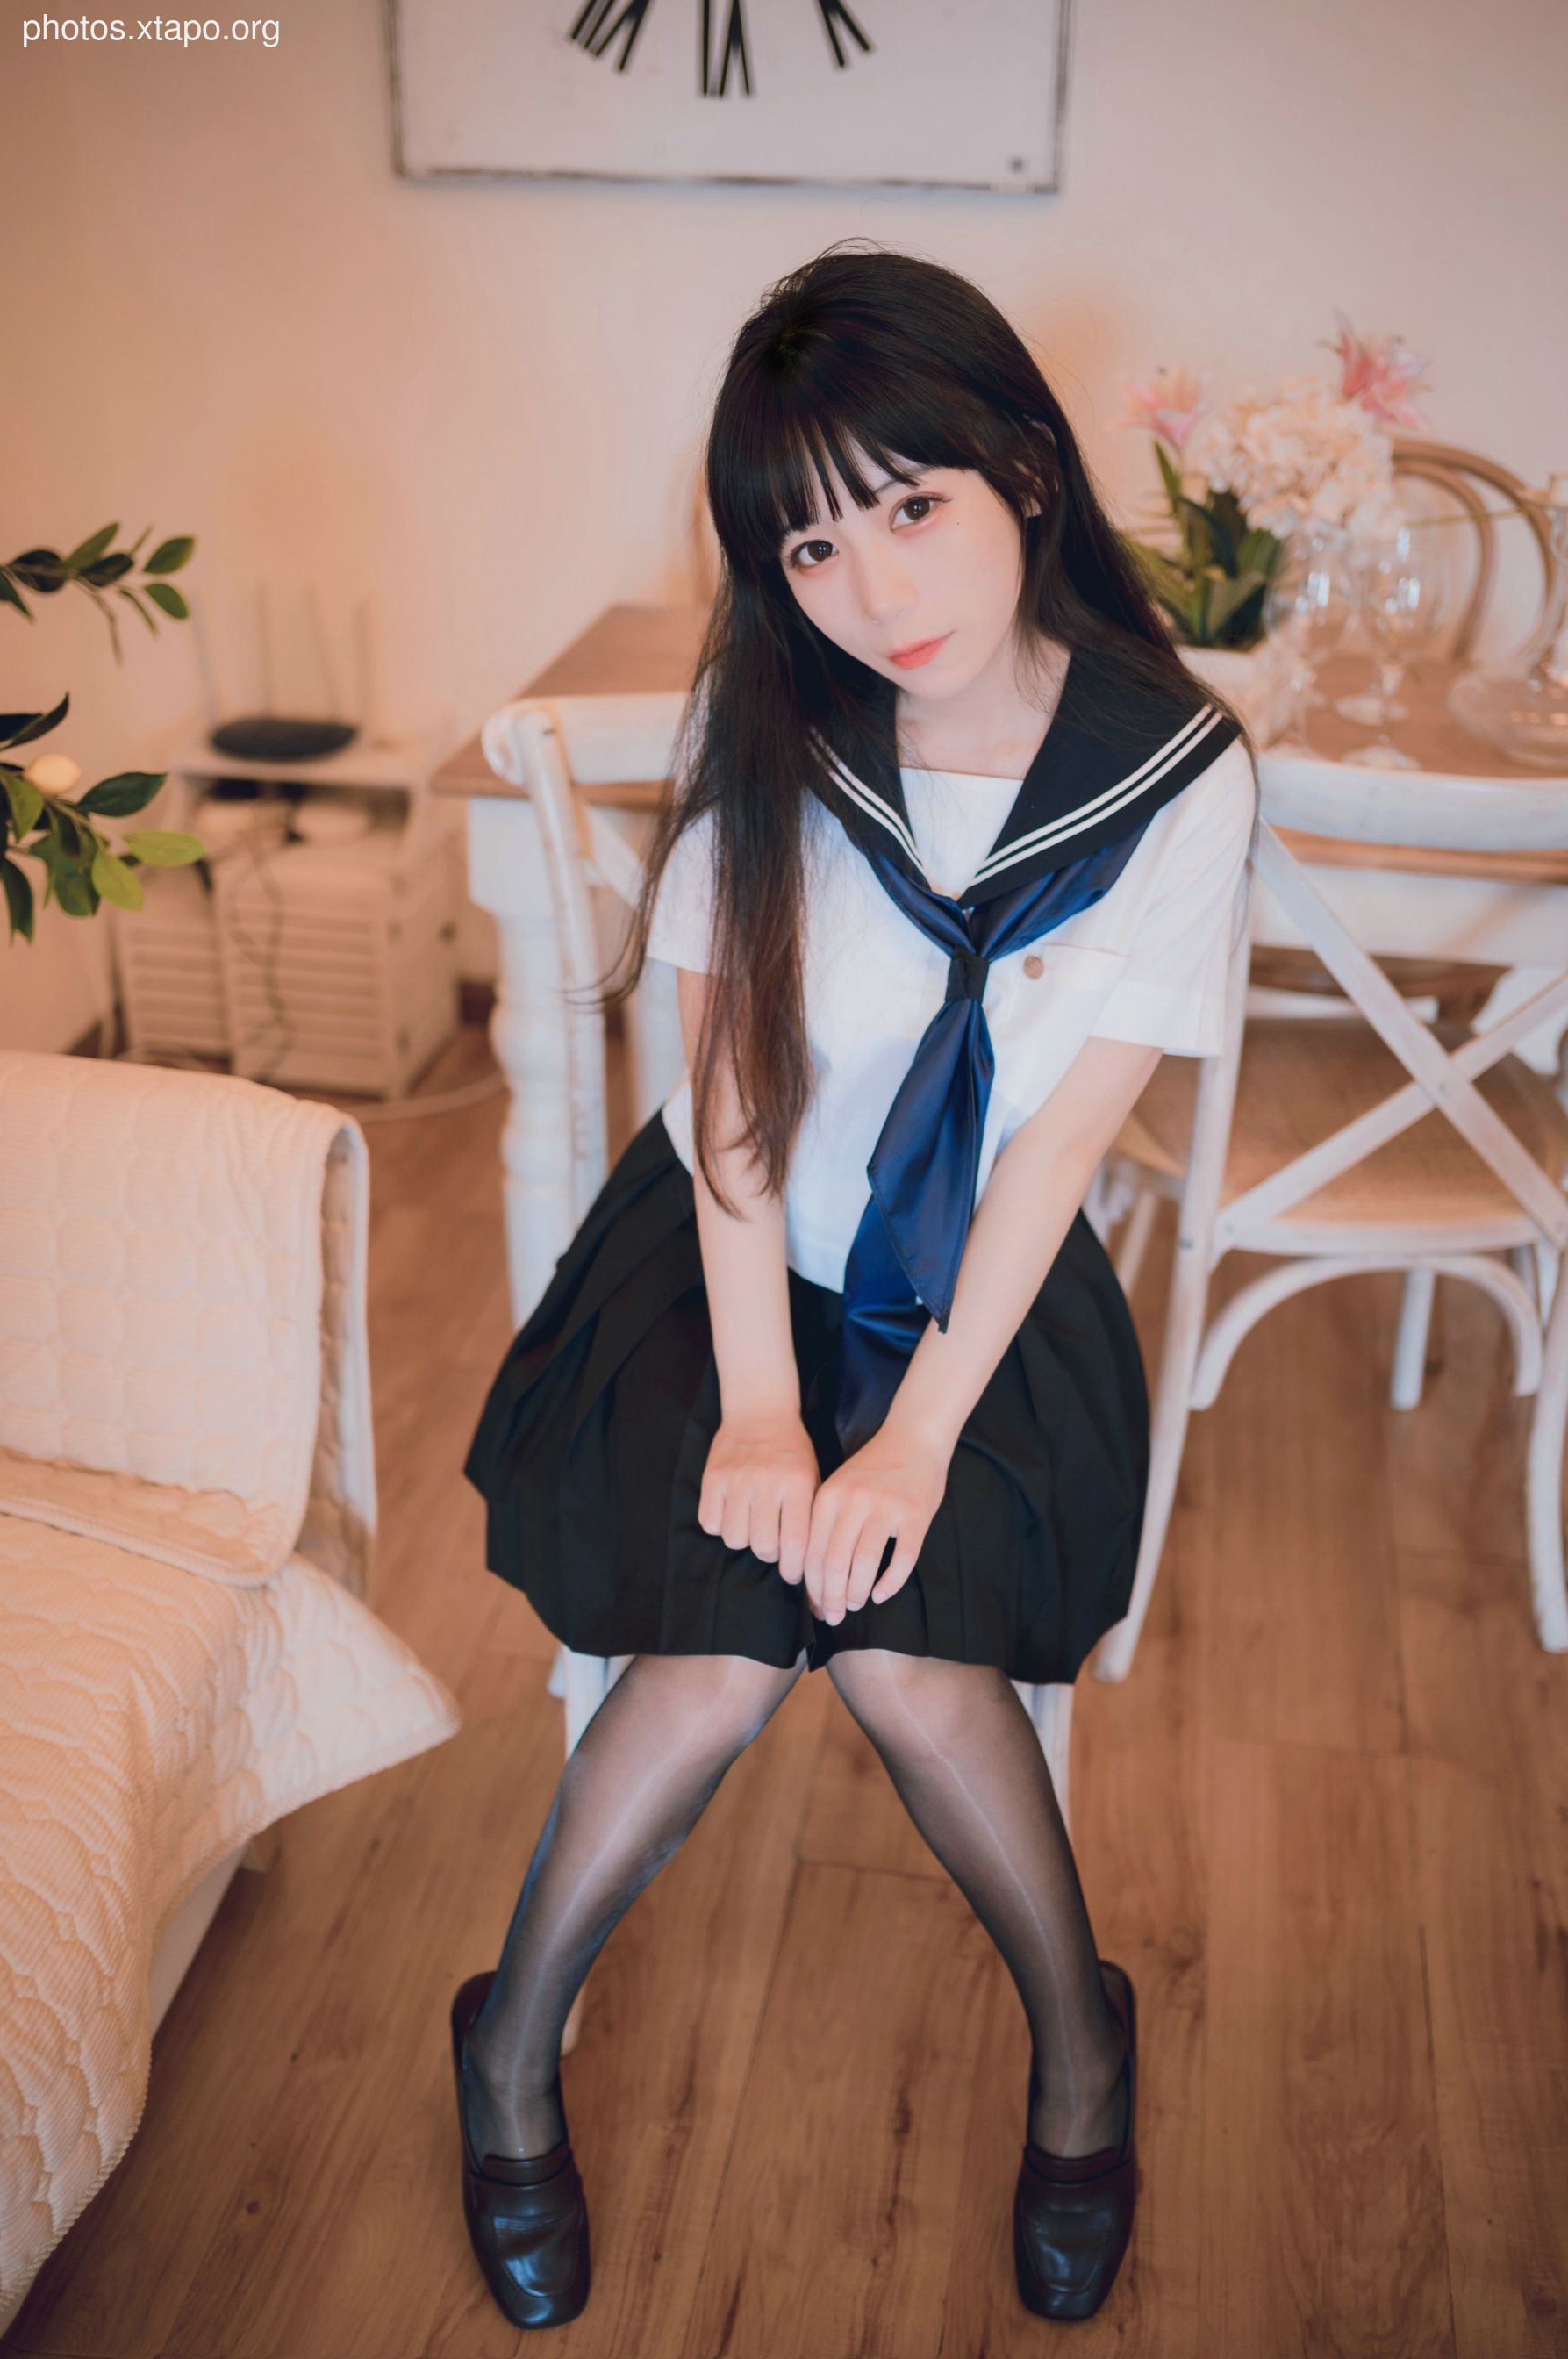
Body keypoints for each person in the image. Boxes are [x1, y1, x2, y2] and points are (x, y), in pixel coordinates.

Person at [452, 241, 1257, 2332]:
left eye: (911, 506)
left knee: (904, 1657)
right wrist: (757, 1406)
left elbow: (1056, 1149)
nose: (876, 587)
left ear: (1021, 472)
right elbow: (730, 1107)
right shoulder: (776, 743)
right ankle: (508, 2047)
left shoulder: (1179, 779)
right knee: (718, 1658)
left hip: (976, 1300)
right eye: (811, 542)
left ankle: (1081, 2063)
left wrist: (904, 1429)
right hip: (726, 1270)